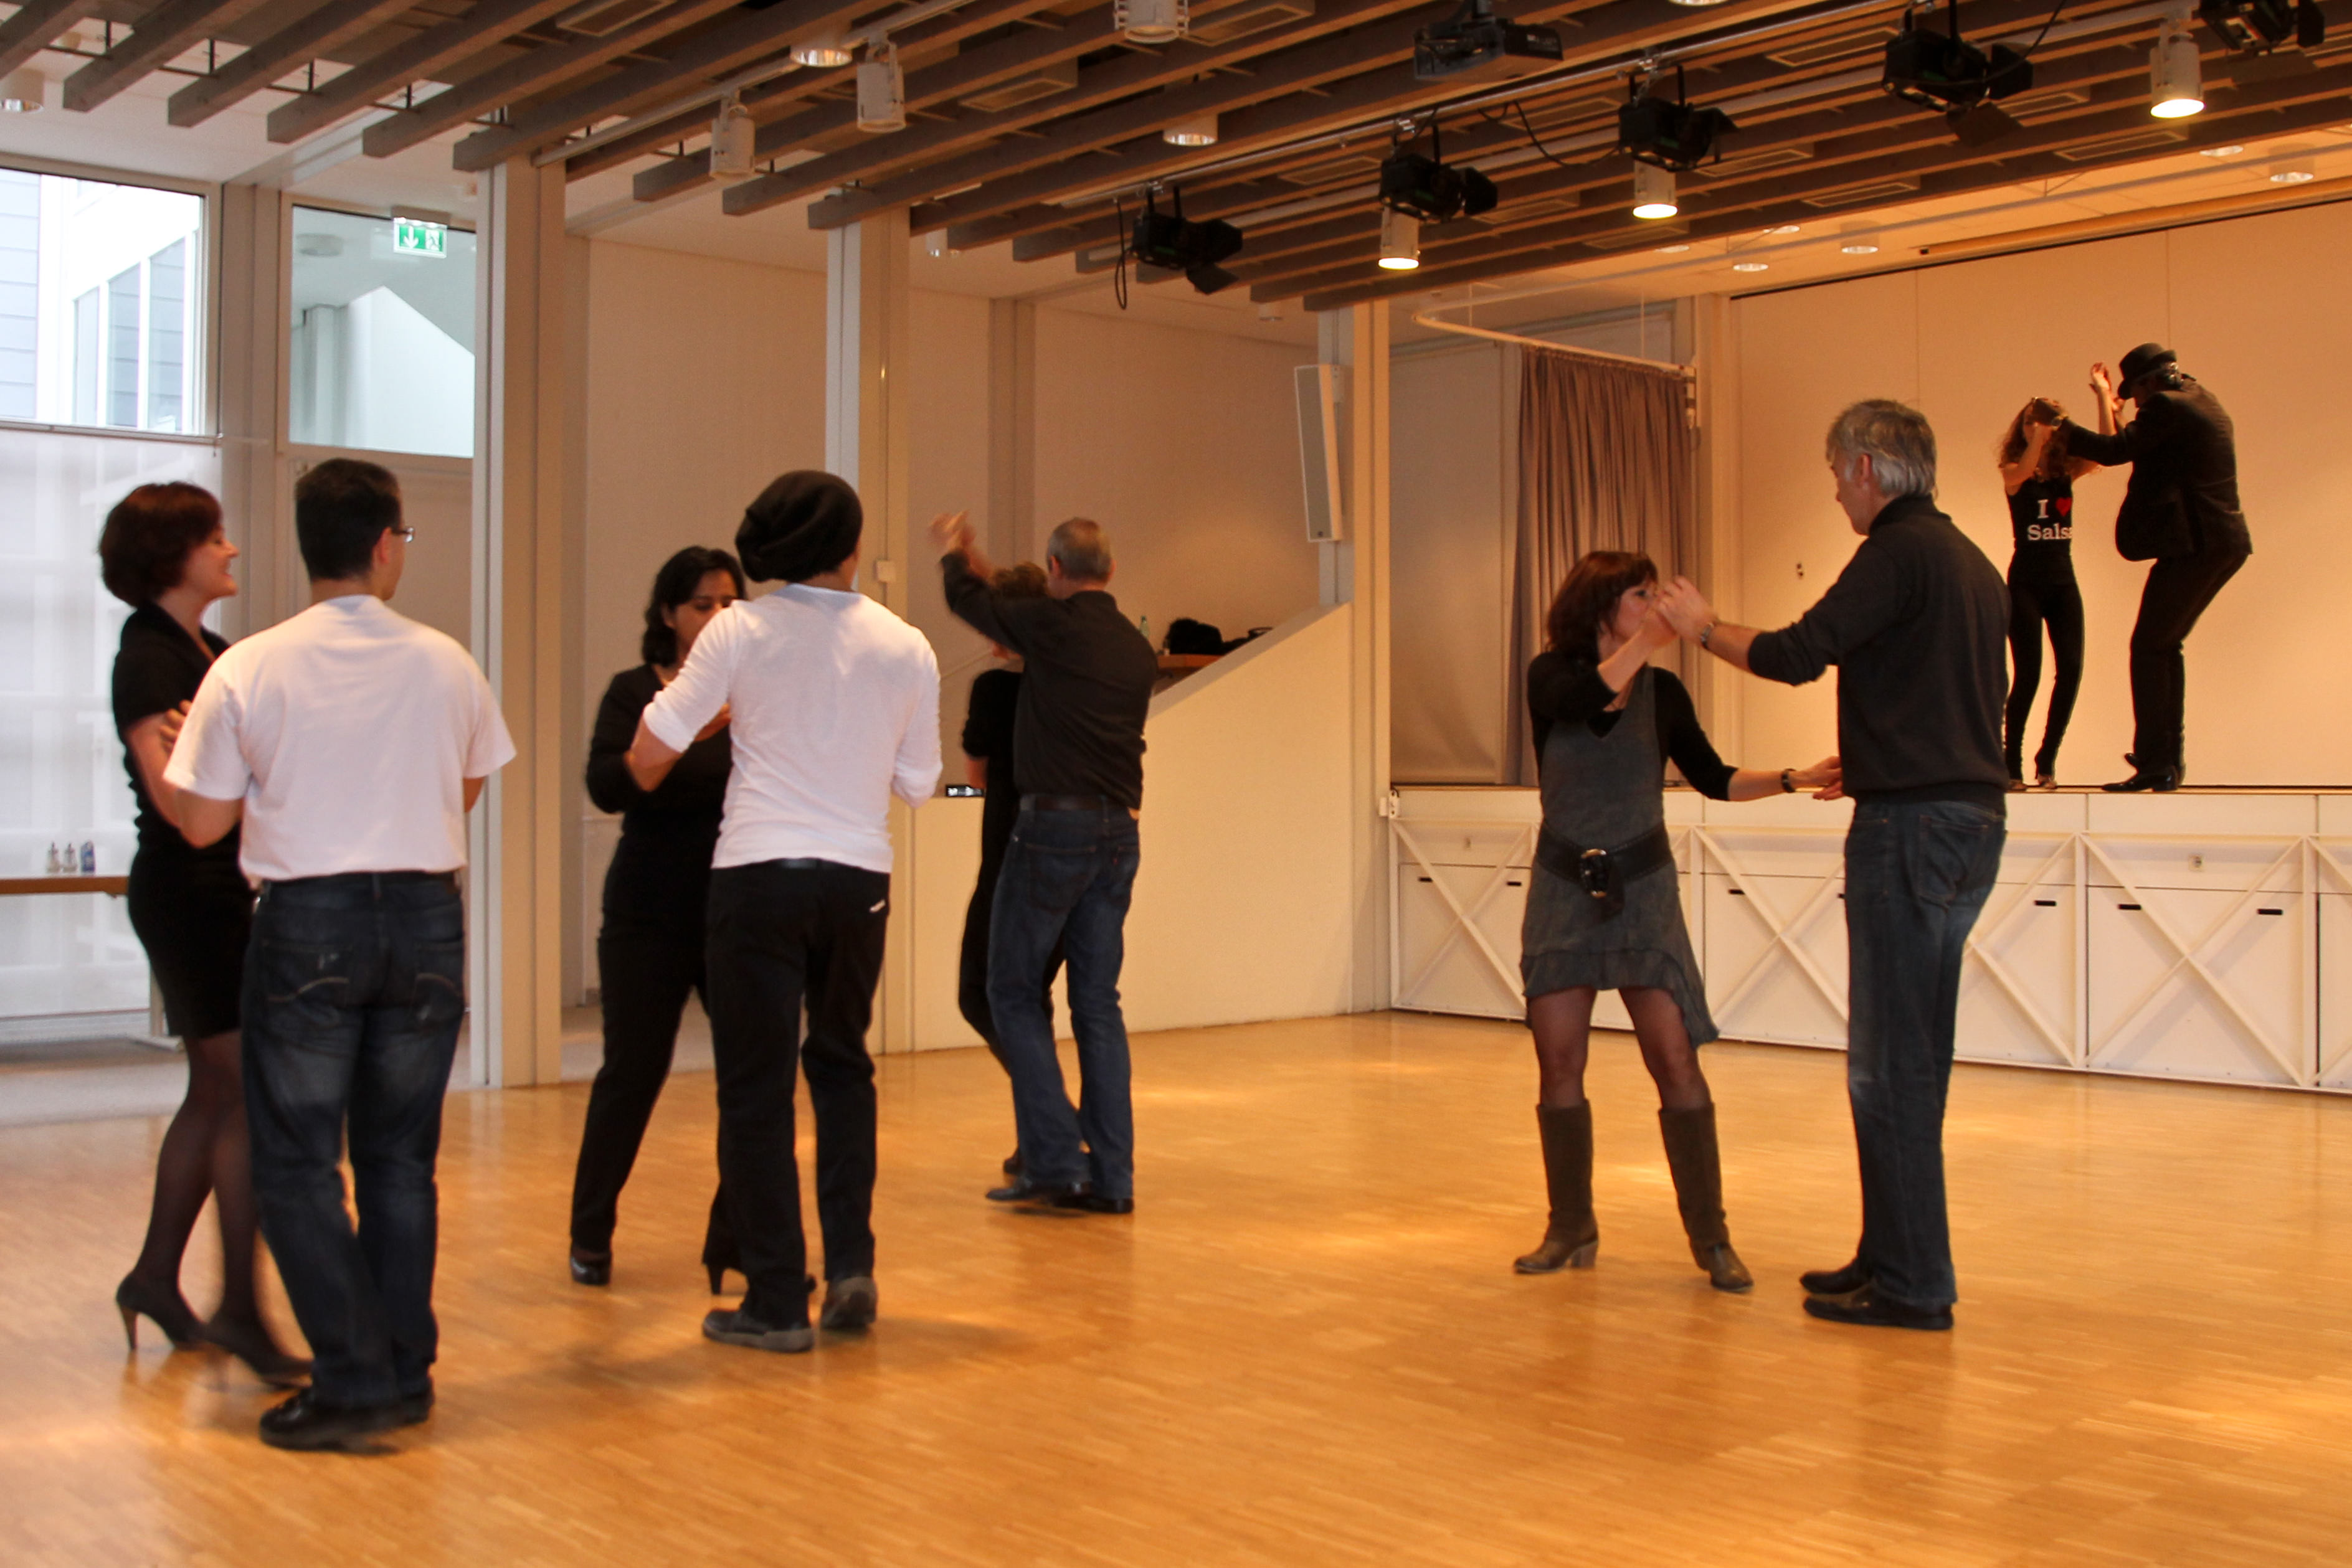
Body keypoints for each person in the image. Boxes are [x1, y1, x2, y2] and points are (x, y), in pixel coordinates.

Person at [165, 458, 515, 1447]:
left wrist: (195, 754)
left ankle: (354, 1377)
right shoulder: (447, 660)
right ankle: (402, 1372)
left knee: (297, 1163)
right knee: (402, 1161)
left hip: (308, 922)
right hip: (426, 918)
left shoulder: (250, 666)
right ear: (384, 545)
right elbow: (465, 790)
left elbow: (201, 823)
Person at [1655, 399, 2008, 1332]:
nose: (1835, 493)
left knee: (1887, 1066)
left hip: (1911, 828)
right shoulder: (1969, 561)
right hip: (1970, 819)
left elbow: (1794, 655)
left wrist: (1701, 627)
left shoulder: (1895, 552)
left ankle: (1913, 1284)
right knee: (1913, 1056)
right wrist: (1893, 751)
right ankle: (1889, 1253)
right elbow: (1965, 689)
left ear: (1864, 467)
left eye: (1834, 473)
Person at [631, 471, 939, 1354]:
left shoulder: (738, 629)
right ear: (852, 548)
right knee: (842, 1068)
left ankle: (774, 1297)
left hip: (758, 873)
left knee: (755, 1088)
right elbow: (919, 782)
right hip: (857, 878)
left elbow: (647, 756)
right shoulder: (907, 645)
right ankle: (851, 1268)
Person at [1515, 551, 1839, 1294]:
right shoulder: (1549, 676)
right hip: (1563, 888)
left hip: (1644, 891)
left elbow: (1713, 778)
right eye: (1640, 594)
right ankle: (1569, 1227)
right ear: (1602, 606)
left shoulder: (1661, 692)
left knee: (1674, 1058)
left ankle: (1711, 1237)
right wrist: (1647, 642)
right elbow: (1585, 697)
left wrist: (1791, 777)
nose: (1654, 604)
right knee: (1558, 1063)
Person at [100, 482, 306, 1386]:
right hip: (189, 895)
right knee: (243, 1092)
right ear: (171, 554)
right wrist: (226, 762)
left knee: (217, 1092)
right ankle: (240, 1309)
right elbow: (181, 808)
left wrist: (232, 758)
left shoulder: (213, 656)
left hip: (223, 890)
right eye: (213, 537)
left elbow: (252, 773)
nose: (231, 548)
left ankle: (155, 1277)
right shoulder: (149, 656)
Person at [934, 512, 1156, 1216]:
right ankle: (1112, 1178)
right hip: (1119, 833)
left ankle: (1056, 1157)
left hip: (1054, 829)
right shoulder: (1135, 648)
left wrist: (957, 554)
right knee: (1097, 1005)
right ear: (1111, 570)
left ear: (1055, 570)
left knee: (1007, 991)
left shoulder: (1052, 628)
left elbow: (970, 603)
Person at [568, 547, 743, 1290]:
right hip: (647, 907)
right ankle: (590, 1232)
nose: (718, 616)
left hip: (734, 908)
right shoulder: (635, 690)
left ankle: (734, 1239)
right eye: (702, 604)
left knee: (749, 1078)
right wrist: (683, 733)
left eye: (730, 603)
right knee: (633, 1071)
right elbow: (608, 785)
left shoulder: (754, 692)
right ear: (669, 613)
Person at [2051, 343, 2251, 793]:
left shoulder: (2166, 405)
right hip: (2219, 543)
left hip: (2198, 545)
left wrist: (2059, 427)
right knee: (2162, 646)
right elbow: (2136, 444)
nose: (2137, 404)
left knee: (2149, 647)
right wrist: (2108, 406)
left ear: (2148, 383)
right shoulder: (2199, 397)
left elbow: (2115, 450)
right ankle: (2164, 760)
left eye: (2135, 395)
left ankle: (2158, 761)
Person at [957, 562, 1068, 1182]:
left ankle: (1053, 1125)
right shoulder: (1069, 684)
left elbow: (974, 774)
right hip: (1069, 858)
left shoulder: (994, 690)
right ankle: (1041, 1143)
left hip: (1007, 863)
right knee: (1031, 1001)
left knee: (980, 995)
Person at [1994, 398, 2100, 790]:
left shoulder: (2065, 472)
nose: (2035, 428)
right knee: (2029, 674)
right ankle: (2011, 764)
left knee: (2071, 668)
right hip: (2026, 582)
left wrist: (2105, 400)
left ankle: (2048, 759)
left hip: (2062, 581)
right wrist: (2037, 438)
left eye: (2043, 423)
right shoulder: (2013, 471)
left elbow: (2106, 449)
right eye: (2028, 422)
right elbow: (2023, 471)